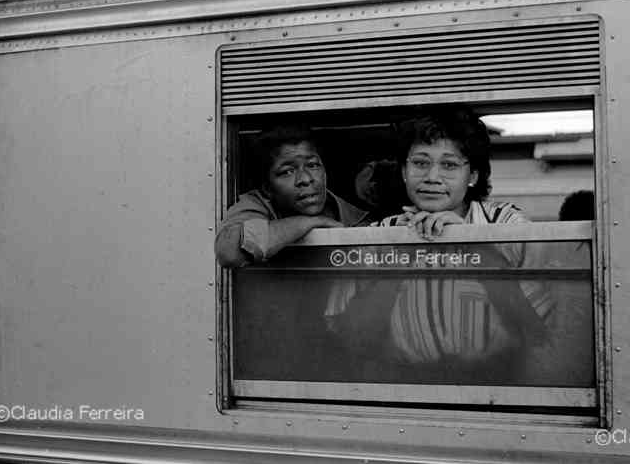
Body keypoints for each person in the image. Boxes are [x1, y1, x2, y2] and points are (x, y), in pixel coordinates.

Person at [325, 110, 553, 374]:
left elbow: (536, 331)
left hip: (498, 386)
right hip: (403, 390)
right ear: (403, 171)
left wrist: (474, 246)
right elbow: (350, 339)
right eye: (420, 163)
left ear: (473, 176)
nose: (432, 177)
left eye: (449, 165)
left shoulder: (507, 225)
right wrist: (399, 260)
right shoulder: (379, 234)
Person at [215, 125, 368, 267]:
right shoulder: (257, 203)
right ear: (268, 188)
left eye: (312, 165)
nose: (306, 179)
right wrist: (311, 222)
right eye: (288, 171)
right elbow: (228, 252)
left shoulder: (356, 218)